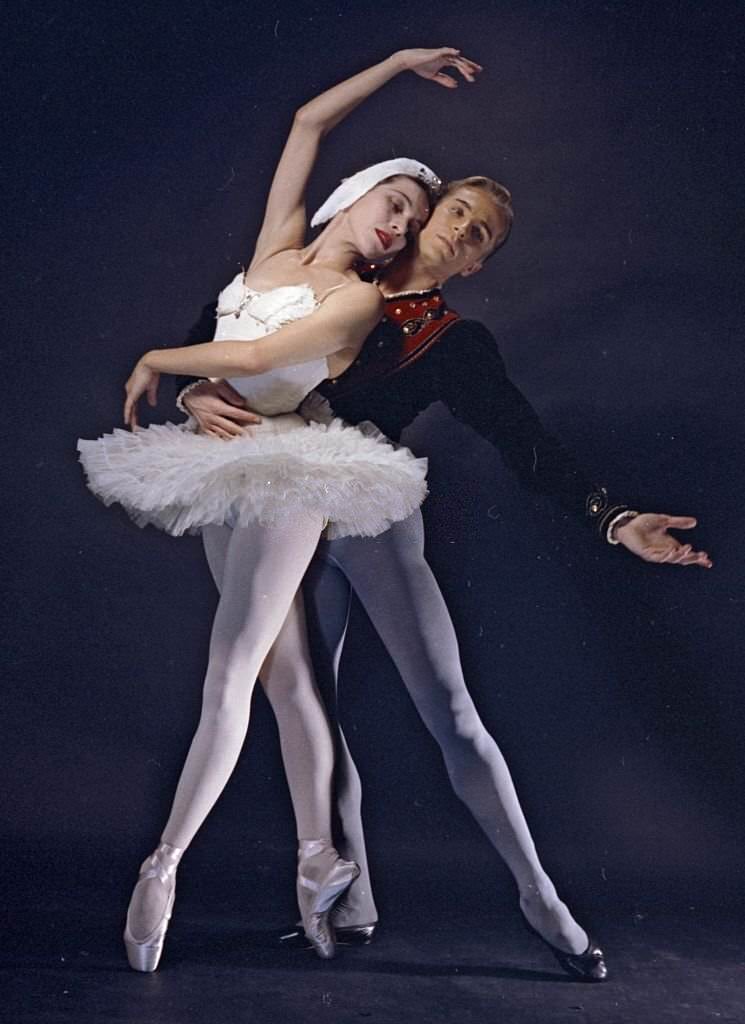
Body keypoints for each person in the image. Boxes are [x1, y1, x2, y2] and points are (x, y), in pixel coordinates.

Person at [180, 182, 710, 983]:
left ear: (479, 261)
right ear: (426, 213)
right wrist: (190, 392)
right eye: (457, 210)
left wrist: (613, 516)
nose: (462, 230)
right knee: (308, 703)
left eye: (481, 233)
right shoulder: (315, 269)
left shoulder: (453, 341)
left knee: (451, 710)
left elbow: (521, 439)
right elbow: (213, 339)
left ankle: (540, 897)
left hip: (364, 510)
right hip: (277, 502)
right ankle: (344, 905)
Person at [77, 47, 482, 969]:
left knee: (231, 672)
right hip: (221, 463)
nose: (398, 229)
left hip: (284, 470)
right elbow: (306, 124)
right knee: (283, 678)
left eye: (413, 224)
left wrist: (157, 364)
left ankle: (163, 866)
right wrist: (398, 64)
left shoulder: (354, 302)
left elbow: (257, 366)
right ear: (359, 193)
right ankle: (315, 864)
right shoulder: (278, 249)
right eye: (395, 206)